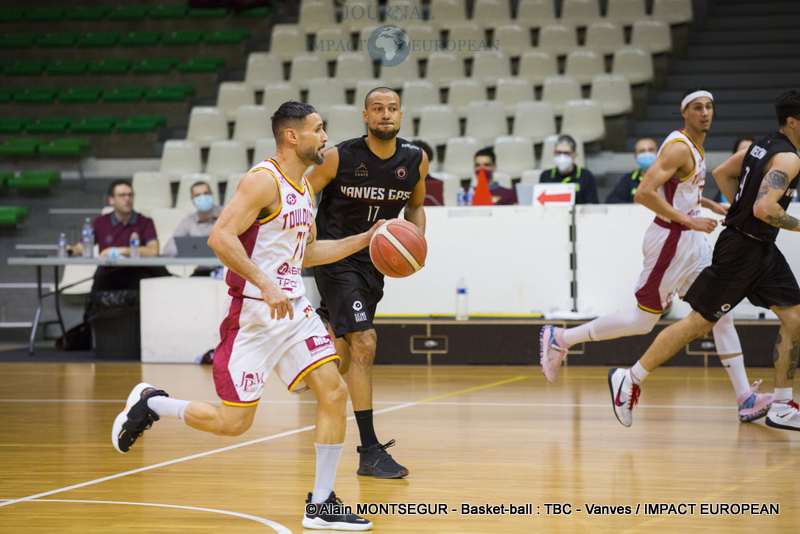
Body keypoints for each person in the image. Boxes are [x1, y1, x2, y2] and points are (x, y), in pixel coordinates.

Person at [112, 101, 376, 530]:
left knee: (334, 392)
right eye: (318, 129)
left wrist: (362, 239)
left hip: (294, 309)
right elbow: (220, 237)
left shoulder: (306, 189)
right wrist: (264, 281)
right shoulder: (262, 181)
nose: (325, 137)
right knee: (233, 423)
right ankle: (153, 402)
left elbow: (305, 253)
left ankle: (322, 503)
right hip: (252, 314)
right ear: (292, 136)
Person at [540, 88, 772, 426]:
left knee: (720, 312)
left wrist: (706, 204)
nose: (705, 113)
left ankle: (745, 399)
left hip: (690, 242)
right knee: (642, 321)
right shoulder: (679, 148)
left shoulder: (695, 145)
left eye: (709, 107)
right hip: (670, 243)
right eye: (697, 108)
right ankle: (561, 338)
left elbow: (679, 190)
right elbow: (643, 193)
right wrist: (690, 218)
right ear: (683, 112)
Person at [605, 89, 800, 429]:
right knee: (698, 323)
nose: (706, 112)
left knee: (795, 317)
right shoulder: (789, 159)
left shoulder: (762, 144)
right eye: (699, 107)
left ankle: (782, 404)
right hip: (740, 251)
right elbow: (764, 207)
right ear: (793, 121)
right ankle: (630, 377)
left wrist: (736, 211)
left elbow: (723, 173)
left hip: (762, 249)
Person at [307, 87, 427, 479]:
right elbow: (303, 190)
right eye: (378, 109)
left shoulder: (414, 159)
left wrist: (416, 249)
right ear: (365, 116)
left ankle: (300, 357)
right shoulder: (340, 156)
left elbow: (416, 206)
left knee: (339, 364)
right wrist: (307, 236)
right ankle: (370, 450)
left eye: (392, 108)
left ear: (401, 115)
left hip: (373, 266)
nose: (385, 114)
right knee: (366, 342)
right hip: (336, 258)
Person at [69, 179, 165, 291]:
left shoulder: (145, 222)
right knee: (97, 291)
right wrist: (71, 250)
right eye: (122, 195)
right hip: (108, 274)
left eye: (130, 195)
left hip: (138, 274)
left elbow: (153, 251)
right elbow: (82, 247)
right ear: (111, 200)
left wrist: (120, 251)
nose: (127, 199)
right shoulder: (100, 222)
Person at [162, 180, 223, 258]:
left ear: (211, 194)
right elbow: (168, 248)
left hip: (227, 267)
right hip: (202, 269)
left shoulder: (227, 214)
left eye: (206, 194)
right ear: (192, 198)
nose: (203, 198)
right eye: (198, 195)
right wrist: (193, 250)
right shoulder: (189, 221)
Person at [539, 135, 598, 204]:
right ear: (554, 153)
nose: (562, 156)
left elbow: (593, 204)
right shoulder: (545, 176)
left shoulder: (586, 176)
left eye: (566, 153)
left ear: (575, 155)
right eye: (558, 152)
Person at [606, 138, 658, 204]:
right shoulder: (629, 179)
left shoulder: (668, 177)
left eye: (651, 150)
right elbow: (611, 200)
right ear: (636, 157)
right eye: (642, 151)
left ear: (658, 152)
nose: (647, 154)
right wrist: (633, 205)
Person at [714, 136, 755, 204]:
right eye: (742, 151)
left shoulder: (762, 179)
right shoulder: (727, 178)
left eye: (750, 151)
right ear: (735, 154)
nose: (746, 155)